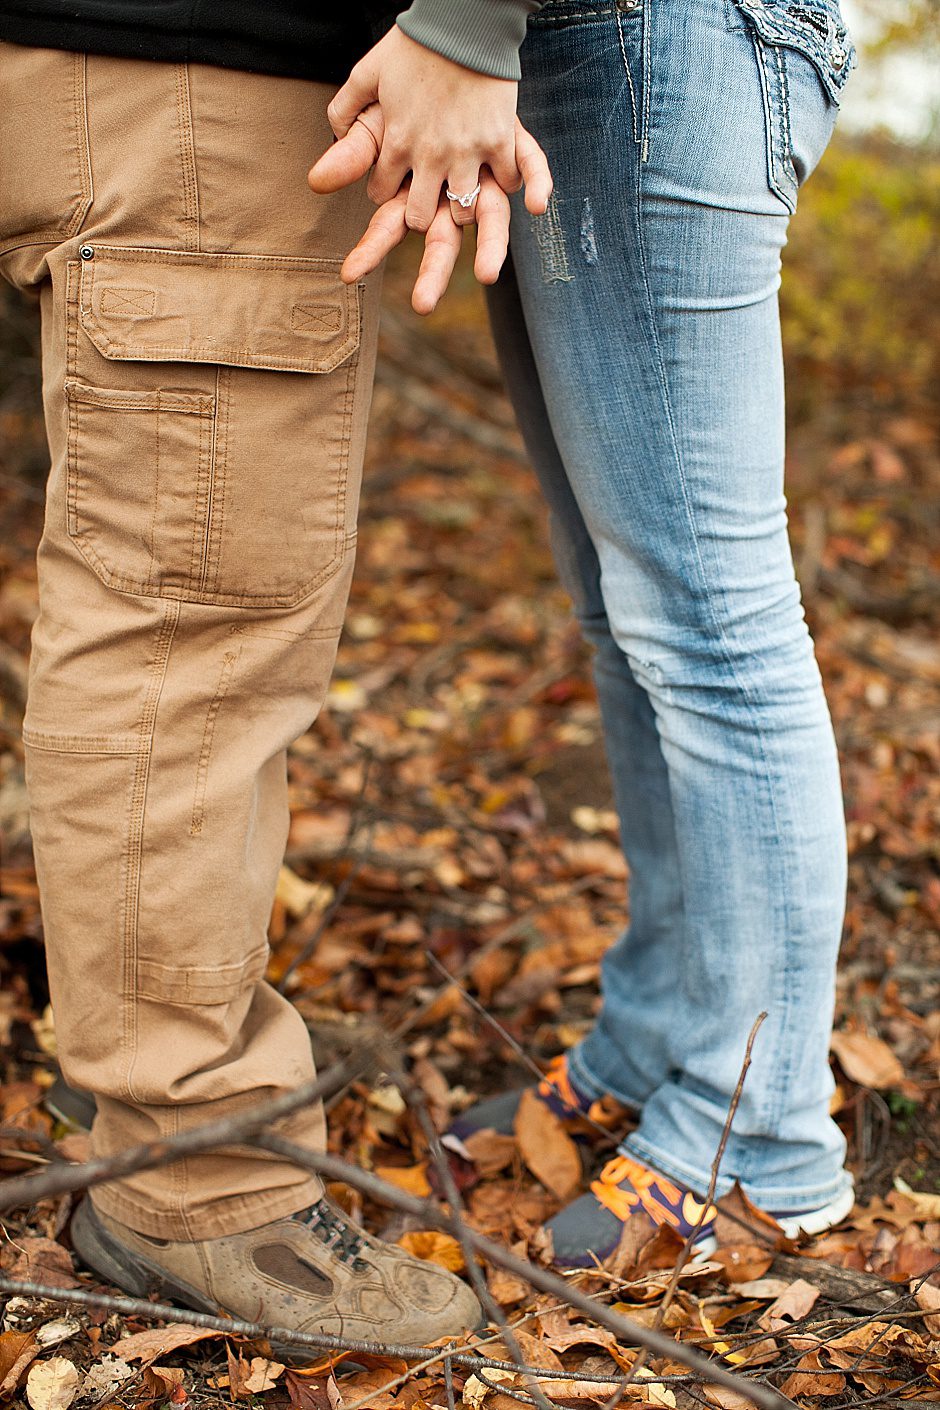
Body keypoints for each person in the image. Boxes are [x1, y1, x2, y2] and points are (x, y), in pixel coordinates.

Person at [0, 0, 552, 1341]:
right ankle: (196, 1182)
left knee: (168, 616)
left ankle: (152, 1092)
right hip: (194, 81)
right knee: (187, 637)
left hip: (130, 77)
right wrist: (472, 23)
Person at [314, 0, 859, 1264]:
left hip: (649, 32)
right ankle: (667, 1028)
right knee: (631, 619)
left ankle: (760, 1134)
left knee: (709, 626)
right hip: (584, 39)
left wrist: (462, 23)